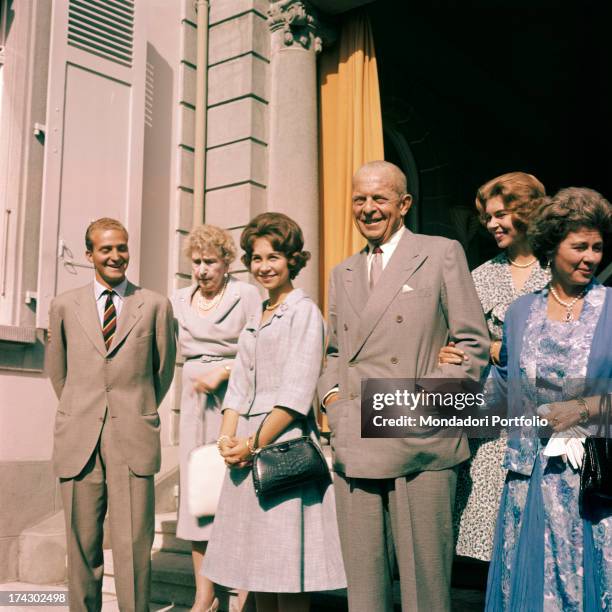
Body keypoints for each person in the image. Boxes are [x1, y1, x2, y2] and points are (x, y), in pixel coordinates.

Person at [318, 160, 490, 611]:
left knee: (425, 591)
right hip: (355, 439)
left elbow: (471, 345)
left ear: (404, 203)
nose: (368, 208)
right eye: (360, 199)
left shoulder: (440, 252)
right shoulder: (343, 273)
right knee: (365, 590)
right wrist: (333, 402)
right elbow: (334, 353)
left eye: (379, 198)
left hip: (421, 444)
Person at [202, 212, 346, 612]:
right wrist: (227, 439)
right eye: (256, 258)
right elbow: (240, 384)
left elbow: (296, 394)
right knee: (255, 567)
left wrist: (252, 444)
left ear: (293, 260)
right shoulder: (257, 313)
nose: (264, 266)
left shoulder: (304, 313)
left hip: (283, 447)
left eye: (274, 257)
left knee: (286, 567)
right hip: (246, 450)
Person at [483, 187, 612, 610]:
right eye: (579, 246)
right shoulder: (520, 312)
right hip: (529, 481)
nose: (590, 257)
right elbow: (501, 392)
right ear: (551, 247)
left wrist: (583, 409)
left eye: (596, 247)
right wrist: (405, 408)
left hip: (592, 487)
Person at [46, 218, 176, 612]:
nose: (116, 255)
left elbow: (162, 370)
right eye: (106, 249)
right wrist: (82, 408)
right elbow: (58, 371)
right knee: (81, 544)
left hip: (132, 435)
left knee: (134, 544)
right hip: (79, 435)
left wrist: (134, 408)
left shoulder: (154, 305)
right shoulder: (64, 306)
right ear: (90, 255)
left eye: (122, 247)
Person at [438, 172, 550, 564]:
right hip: (489, 429)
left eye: (500, 214)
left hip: (547, 428)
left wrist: (501, 346)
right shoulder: (480, 276)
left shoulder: (561, 271)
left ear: (528, 210)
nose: (491, 224)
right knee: (494, 549)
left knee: (544, 545)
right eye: (488, 217)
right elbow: (459, 340)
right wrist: (456, 352)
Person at [171, 225, 260, 612]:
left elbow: (259, 346)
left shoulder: (246, 295)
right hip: (194, 408)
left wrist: (223, 371)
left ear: (227, 263)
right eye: (197, 262)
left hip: (236, 402)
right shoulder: (177, 300)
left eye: (211, 261)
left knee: (238, 495)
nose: (203, 269)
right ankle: (204, 597)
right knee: (199, 498)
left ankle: (243, 597)